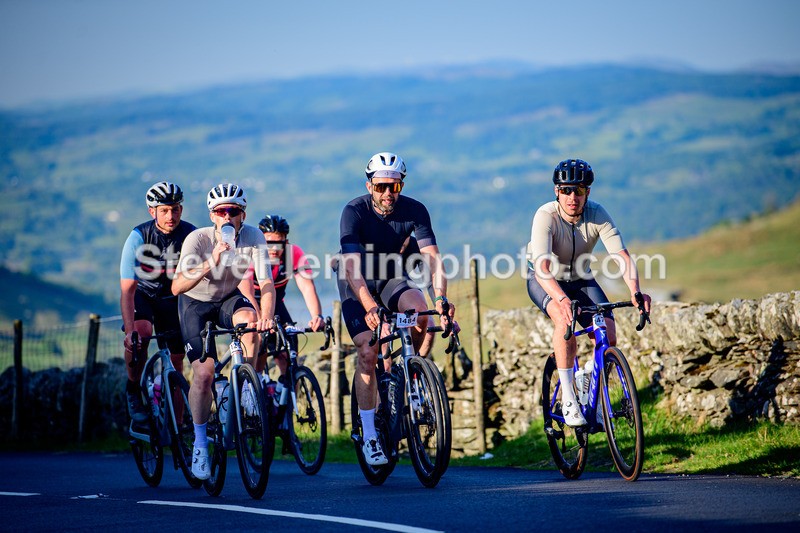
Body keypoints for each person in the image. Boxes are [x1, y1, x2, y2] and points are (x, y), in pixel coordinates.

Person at [337, 152, 455, 466]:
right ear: (369, 185)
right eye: (380, 187)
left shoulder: (415, 210)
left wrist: (440, 299)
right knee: (368, 349)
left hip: (390, 278)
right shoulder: (354, 211)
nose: (387, 193)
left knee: (420, 312)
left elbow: (432, 259)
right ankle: (370, 434)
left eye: (394, 186)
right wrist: (370, 307)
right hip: (356, 284)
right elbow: (351, 268)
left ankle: (409, 370)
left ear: (401, 185)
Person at [526, 159, 652, 426]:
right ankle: (570, 396)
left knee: (609, 333)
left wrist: (636, 291)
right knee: (564, 319)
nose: (573, 197)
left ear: (588, 193)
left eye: (580, 190)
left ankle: (590, 386)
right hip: (545, 279)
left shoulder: (597, 214)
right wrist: (561, 299)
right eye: (566, 190)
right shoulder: (545, 216)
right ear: (556, 191)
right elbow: (542, 268)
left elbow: (622, 257)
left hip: (581, 278)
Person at [171, 183, 276, 480]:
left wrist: (266, 316)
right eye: (221, 211)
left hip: (228, 298)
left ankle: (244, 390)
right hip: (196, 303)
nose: (227, 216)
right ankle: (201, 443)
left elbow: (265, 283)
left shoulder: (254, 236)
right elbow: (177, 286)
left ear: (243, 215)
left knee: (252, 324)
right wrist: (212, 260)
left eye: (233, 211)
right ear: (212, 216)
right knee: (204, 374)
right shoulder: (198, 239)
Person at [119, 181, 196, 426]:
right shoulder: (138, 236)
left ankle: (179, 427)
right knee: (141, 334)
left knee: (176, 362)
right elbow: (127, 289)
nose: (170, 215)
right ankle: (133, 389)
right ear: (152, 211)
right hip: (144, 295)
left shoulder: (190, 234)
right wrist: (129, 329)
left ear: (181, 210)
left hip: (174, 299)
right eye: (164, 210)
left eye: (175, 209)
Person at [240, 214, 325, 381]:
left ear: (286, 242)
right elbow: (247, 292)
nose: (273, 249)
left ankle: (286, 397)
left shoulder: (294, 254)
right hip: (250, 303)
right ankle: (255, 388)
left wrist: (317, 316)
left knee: (288, 353)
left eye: (278, 243)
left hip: (276, 303)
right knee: (258, 347)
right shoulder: (250, 254)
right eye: (268, 243)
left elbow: (307, 287)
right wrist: (261, 321)